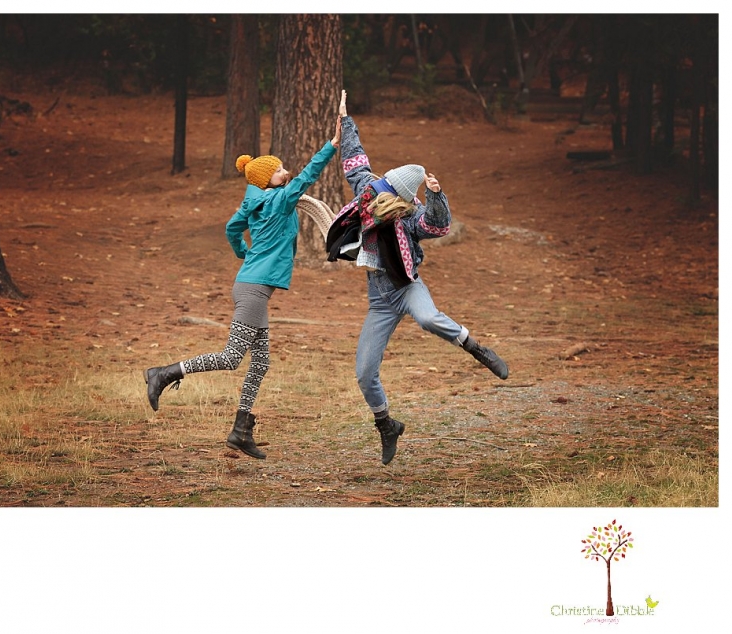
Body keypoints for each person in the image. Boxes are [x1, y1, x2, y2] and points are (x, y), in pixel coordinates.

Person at [144, 97, 344, 459]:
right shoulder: (280, 200)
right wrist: (331, 146)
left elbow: (231, 229)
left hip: (252, 286)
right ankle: (165, 372)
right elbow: (308, 175)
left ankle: (240, 430)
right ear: (267, 179)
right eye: (279, 169)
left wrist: (243, 254)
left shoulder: (253, 205)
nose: (285, 171)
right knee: (232, 357)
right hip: (253, 290)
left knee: (261, 362)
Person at [326, 93, 509, 466]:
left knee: (427, 318)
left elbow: (438, 226)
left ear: (402, 197)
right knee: (364, 372)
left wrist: (438, 196)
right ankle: (387, 425)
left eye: (388, 191)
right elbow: (354, 158)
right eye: (382, 186)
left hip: (408, 288)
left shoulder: (411, 217)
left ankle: (477, 349)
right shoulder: (367, 190)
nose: (379, 193)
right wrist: (346, 120)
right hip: (379, 299)